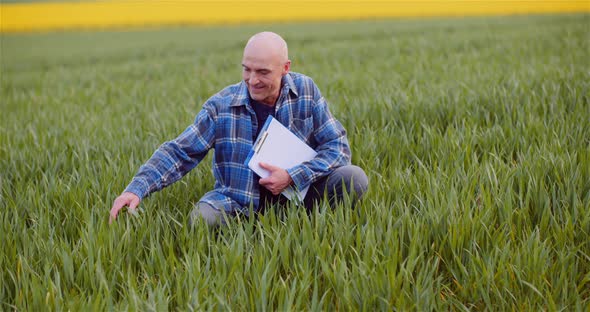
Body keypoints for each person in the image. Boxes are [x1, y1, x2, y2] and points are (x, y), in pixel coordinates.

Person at [109, 32, 368, 226]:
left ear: (285, 68)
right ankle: (249, 235)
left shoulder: (306, 91)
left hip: (298, 195)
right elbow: (180, 151)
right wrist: (136, 189)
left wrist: (292, 176)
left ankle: (304, 223)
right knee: (202, 221)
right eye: (247, 69)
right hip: (239, 202)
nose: (252, 80)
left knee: (353, 178)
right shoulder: (222, 105)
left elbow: (337, 147)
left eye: (263, 72)